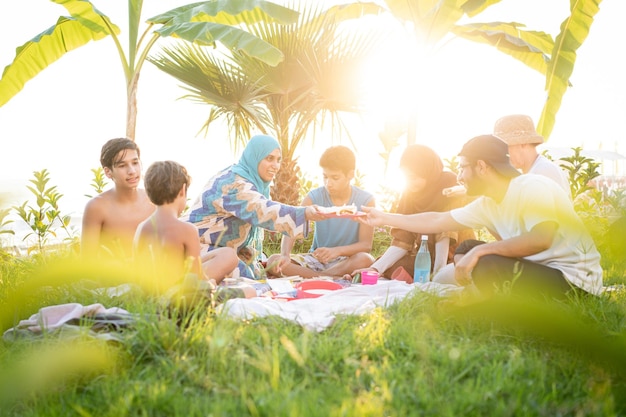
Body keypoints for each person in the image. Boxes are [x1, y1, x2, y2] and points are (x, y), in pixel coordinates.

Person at [359, 135, 603, 300]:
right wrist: (384, 218)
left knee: (483, 260)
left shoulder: (531, 186)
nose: (460, 176)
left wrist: (480, 253)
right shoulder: (487, 204)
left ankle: (485, 302)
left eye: (463, 168)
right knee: (467, 247)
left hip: (574, 283)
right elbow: (436, 220)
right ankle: (486, 295)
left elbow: (541, 239)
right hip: (538, 270)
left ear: (482, 167)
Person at [182, 134, 327, 279]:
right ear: (254, 157)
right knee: (245, 275)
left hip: (220, 249)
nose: (275, 166)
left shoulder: (246, 178)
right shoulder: (234, 183)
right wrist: (305, 213)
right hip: (194, 249)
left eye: (278, 160)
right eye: (269, 158)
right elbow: (262, 210)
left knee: (256, 271)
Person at [346, 145, 475, 282]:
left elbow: (446, 230)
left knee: (441, 270)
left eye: (414, 177)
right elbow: (403, 239)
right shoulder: (410, 193)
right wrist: (375, 269)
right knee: (391, 266)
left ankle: (436, 275)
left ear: (428, 172)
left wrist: (438, 273)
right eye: (407, 178)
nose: (410, 182)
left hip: (455, 254)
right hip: (425, 255)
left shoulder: (448, 183)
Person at [266, 146, 375, 278]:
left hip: (346, 261)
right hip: (316, 260)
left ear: (350, 175)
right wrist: (285, 255)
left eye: (335, 178)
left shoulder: (366, 200)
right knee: (274, 261)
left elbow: (366, 245)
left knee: (366, 259)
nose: (328, 183)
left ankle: (314, 277)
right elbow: (292, 225)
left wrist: (337, 251)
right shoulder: (315, 196)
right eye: (325, 177)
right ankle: (328, 277)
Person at [133, 161, 238, 287]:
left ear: (149, 196)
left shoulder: (142, 228)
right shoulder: (187, 230)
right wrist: (209, 284)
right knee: (249, 290)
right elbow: (193, 279)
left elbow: (138, 273)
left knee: (226, 253)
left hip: (151, 291)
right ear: (183, 190)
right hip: (179, 295)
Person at [81, 138, 155, 260]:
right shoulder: (97, 207)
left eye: (135, 163)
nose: (132, 171)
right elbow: (87, 261)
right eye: (122, 165)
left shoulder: (154, 199)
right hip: (114, 278)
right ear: (108, 172)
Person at [494, 114, 572, 198]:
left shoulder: (543, 171)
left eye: (506, 147)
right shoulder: (536, 169)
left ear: (522, 143)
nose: (504, 153)